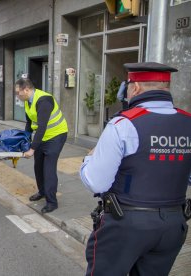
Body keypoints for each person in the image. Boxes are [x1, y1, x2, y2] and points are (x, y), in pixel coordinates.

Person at [80, 62, 191, 275]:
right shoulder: (187, 122)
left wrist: (88, 159)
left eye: (128, 85)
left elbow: (96, 182)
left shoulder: (123, 124)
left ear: (136, 87)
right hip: (173, 224)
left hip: (126, 224)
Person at [15, 78, 68, 213]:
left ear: (26, 89)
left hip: (56, 135)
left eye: (18, 93)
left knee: (48, 169)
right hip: (42, 137)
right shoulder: (27, 102)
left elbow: (42, 126)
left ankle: (52, 202)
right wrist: (24, 141)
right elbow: (30, 123)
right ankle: (42, 192)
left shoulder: (44, 100)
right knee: (38, 166)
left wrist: (32, 149)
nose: (17, 96)